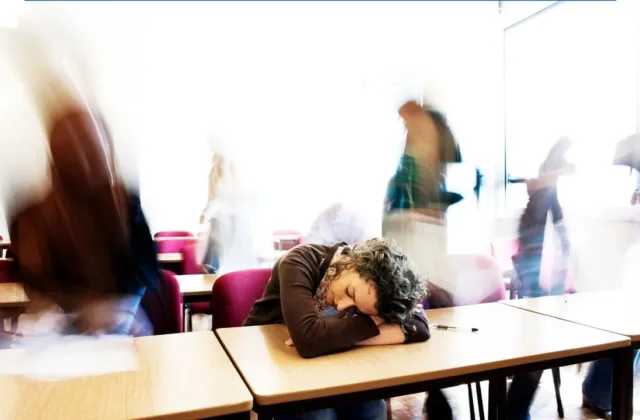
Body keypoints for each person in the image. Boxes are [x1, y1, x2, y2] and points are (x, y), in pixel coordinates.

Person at [8, 43, 160, 336]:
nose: (85, 160)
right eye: (73, 150)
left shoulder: (126, 205)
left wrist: (113, 309)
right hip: (58, 339)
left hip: (121, 332)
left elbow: (144, 275)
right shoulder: (33, 218)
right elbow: (37, 289)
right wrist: (71, 311)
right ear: (56, 155)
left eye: (93, 149)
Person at [244, 238, 429, 420]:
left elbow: (419, 325)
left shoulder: (372, 288)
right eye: (350, 292)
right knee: (318, 414)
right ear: (354, 262)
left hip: (326, 367)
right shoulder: (299, 260)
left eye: (357, 309)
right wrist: (375, 323)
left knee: (371, 408)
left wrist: (331, 339)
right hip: (269, 360)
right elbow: (308, 341)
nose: (342, 306)